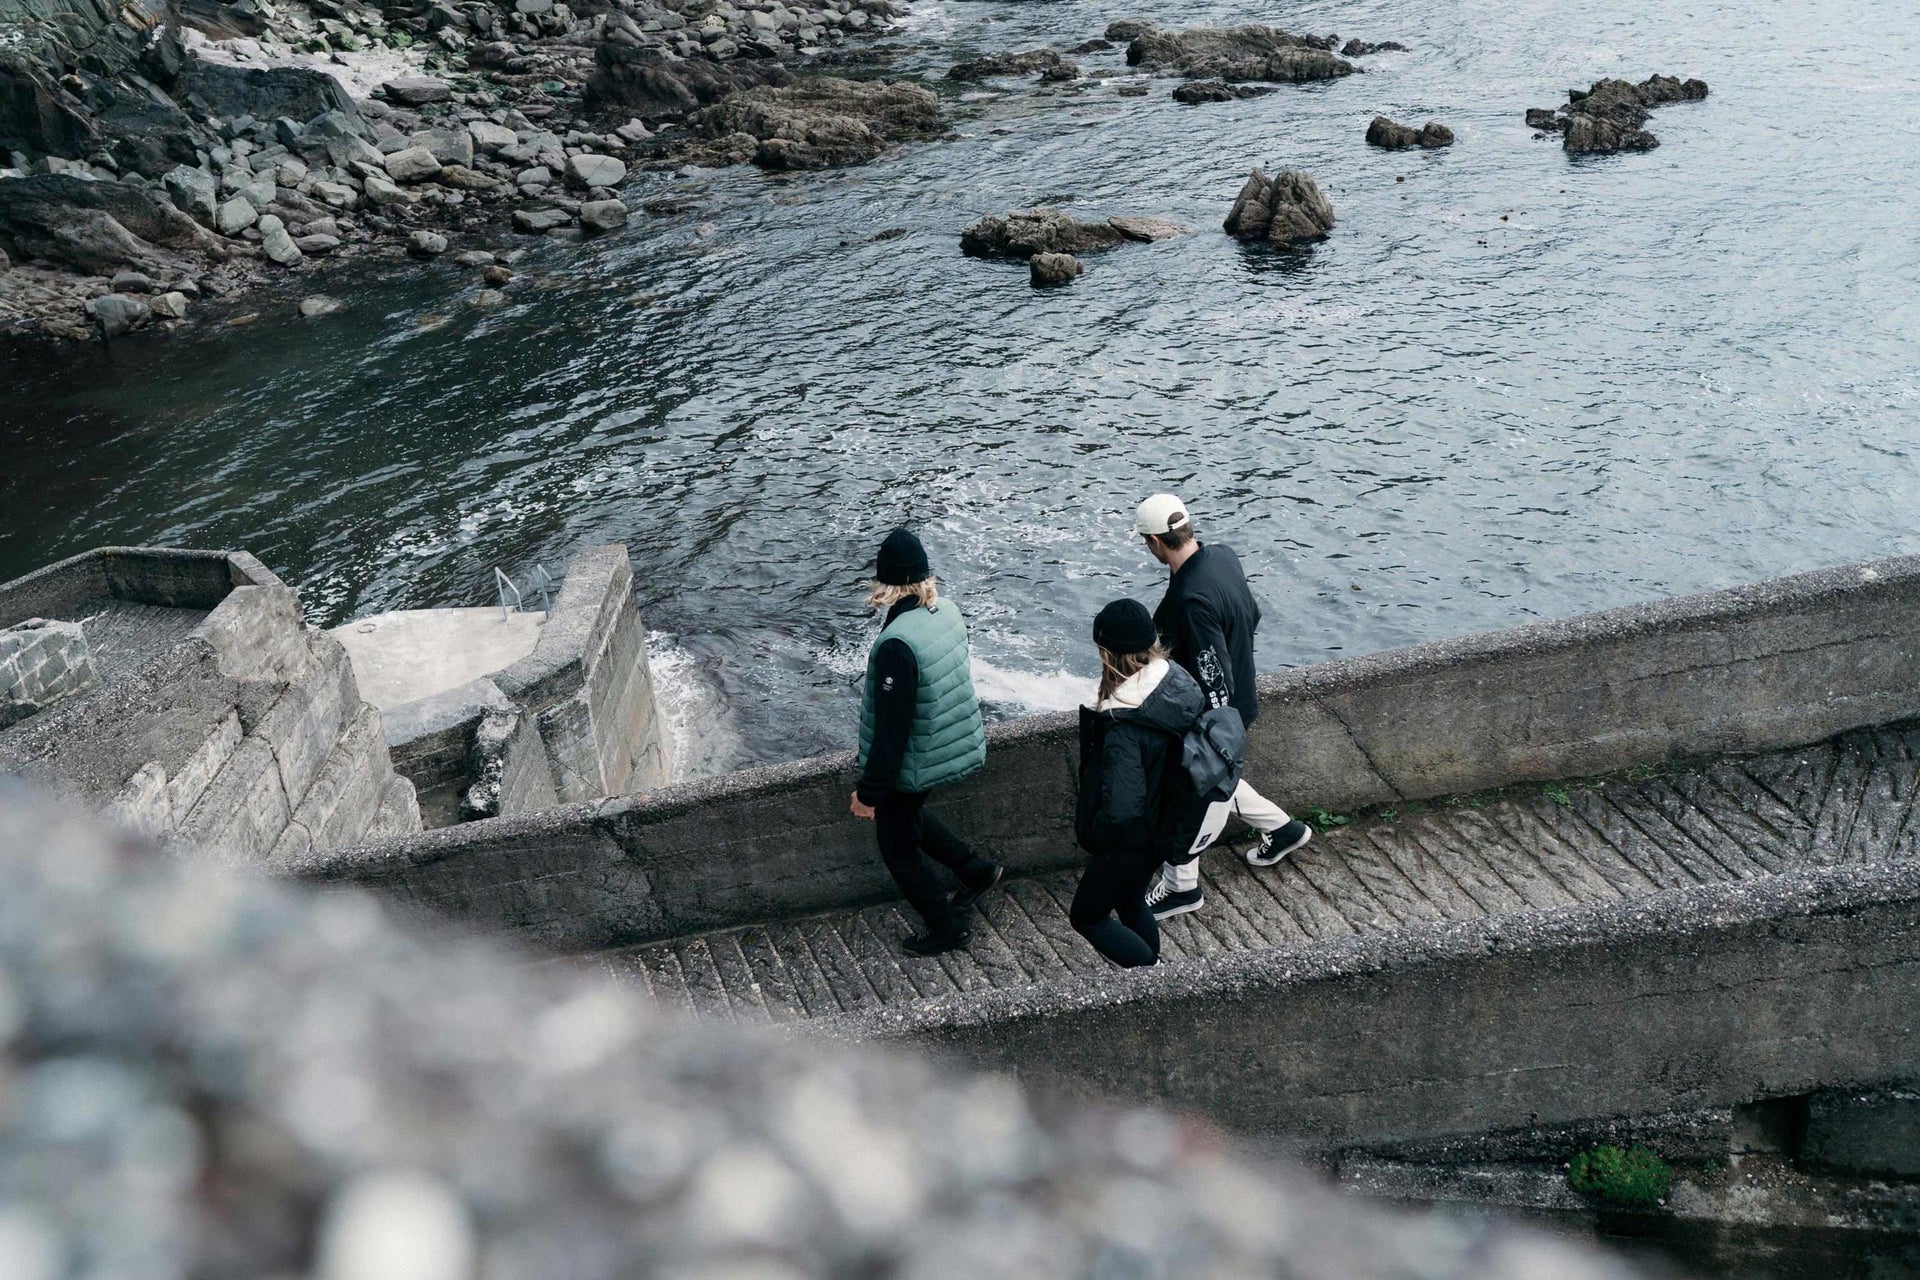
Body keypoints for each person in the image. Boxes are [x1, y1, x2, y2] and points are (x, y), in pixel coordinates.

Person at [1135, 492, 1313, 918]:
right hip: (1241, 700)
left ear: (1155, 542)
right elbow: (1251, 614)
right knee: (1217, 780)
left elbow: (1214, 675)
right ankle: (1282, 830)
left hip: (1214, 715)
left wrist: (1211, 734)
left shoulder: (1190, 602)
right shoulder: (1222, 557)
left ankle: (1181, 888)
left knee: (1190, 789)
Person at [849, 529, 1002, 956]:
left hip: (918, 757)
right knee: (908, 814)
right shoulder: (946, 610)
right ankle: (976, 872)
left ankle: (947, 929)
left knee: (898, 848)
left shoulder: (898, 645)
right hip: (948, 742)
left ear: (884, 583)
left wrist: (869, 793)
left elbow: (891, 730)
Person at [1070, 599, 1209, 967]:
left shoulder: (1124, 724)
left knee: (1087, 916)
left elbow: (1121, 808)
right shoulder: (1175, 682)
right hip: (1161, 826)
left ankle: (1152, 971)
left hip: (1129, 840)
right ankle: (1153, 972)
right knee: (1130, 900)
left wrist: (1096, 830)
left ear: (1109, 654)